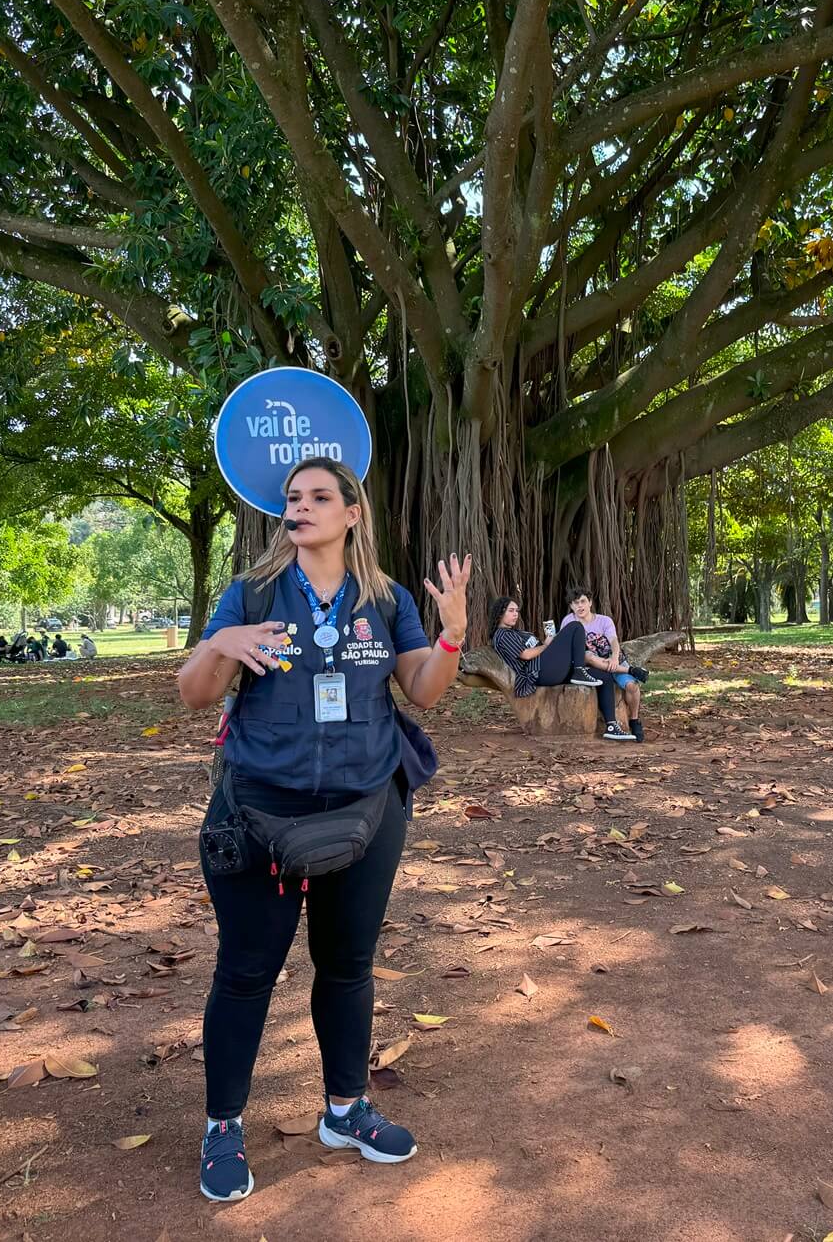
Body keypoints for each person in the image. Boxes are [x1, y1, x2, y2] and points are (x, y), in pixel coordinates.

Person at [176, 456, 470, 1204]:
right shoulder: (251, 592)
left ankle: (345, 1109)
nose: (298, 508)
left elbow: (423, 691)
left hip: (367, 810)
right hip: (258, 813)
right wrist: (222, 645)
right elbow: (191, 693)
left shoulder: (387, 598)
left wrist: (453, 633)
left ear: (351, 513)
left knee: (347, 965)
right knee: (245, 972)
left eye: (316, 497)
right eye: (290, 499)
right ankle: (222, 1126)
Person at [488, 597, 630, 739]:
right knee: (575, 626)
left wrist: (547, 642)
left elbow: (535, 650)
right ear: (500, 613)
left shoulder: (515, 632)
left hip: (549, 666)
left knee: (603, 676)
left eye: (517, 611)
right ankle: (579, 671)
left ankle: (611, 726)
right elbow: (525, 655)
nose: (516, 614)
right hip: (540, 672)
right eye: (511, 611)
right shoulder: (502, 635)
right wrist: (546, 646)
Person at [560, 588, 644, 741]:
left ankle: (634, 720)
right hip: (591, 664)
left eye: (583, 601)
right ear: (571, 606)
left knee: (632, 687)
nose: (580, 606)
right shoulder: (569, 621)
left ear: (590, 603)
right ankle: (632, 670)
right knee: (588, 655)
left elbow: (613, 641)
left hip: (612, 662)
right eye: (575, 603)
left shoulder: (604, 620)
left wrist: (614, 657)